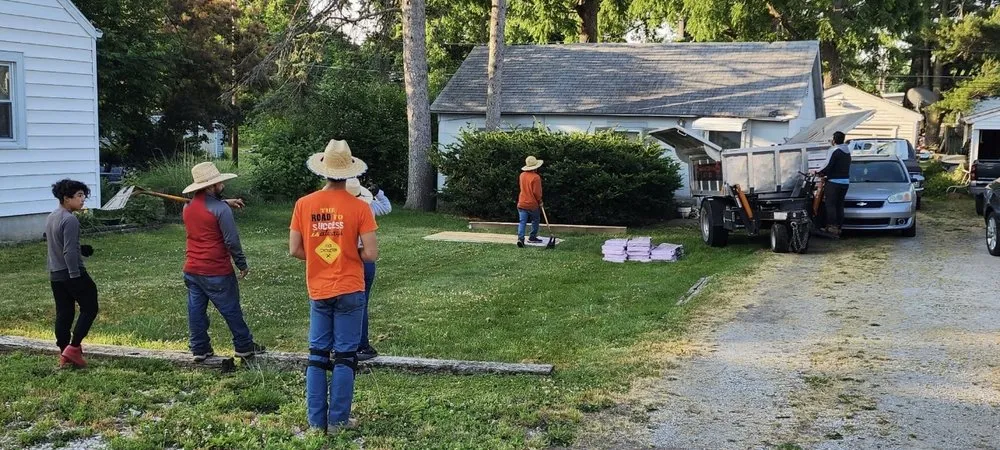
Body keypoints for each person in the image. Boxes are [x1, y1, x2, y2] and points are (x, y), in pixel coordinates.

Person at [289, 139, 378, 433]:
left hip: (319, 287)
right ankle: (339, 421)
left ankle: (316, 423)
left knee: (317, 355)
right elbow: (371, 254)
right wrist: (349, 252)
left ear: (323, 170)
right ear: (349, 172)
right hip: (350, 287)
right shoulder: (360, 207)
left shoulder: (303, 204)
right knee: (345, 356)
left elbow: (295, 249)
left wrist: (320, 255)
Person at [181, 162, 264, 362]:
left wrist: (226, 202)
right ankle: (244, 345)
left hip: (192, 269)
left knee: (196, 310)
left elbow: (207, 207)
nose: (222, 185)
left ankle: (199, 348)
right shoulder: (221, 210)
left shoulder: (187, 207)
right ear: (211, 186)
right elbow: (231, 241)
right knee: (230, 308)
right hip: (216, 269)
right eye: (219, 183)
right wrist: (241, 263)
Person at [46, 179, 99, 368]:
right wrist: (75, 275)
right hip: (72, 273)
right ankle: (74, 348)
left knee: (64, 313)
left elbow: (59, 244)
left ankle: (64, 353)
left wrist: (80, 248)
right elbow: (68, 251)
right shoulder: (70, 219)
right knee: (90, 307)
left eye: (84, 195)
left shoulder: (52, 216)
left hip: (56, 274)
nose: (83, 199)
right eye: (79, 195)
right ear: (66, 198)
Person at [346, 178, 391, 361]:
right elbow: (386, 207)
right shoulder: (368, 208)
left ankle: (340, 344)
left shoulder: (339, 210)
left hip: (343, 257)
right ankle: (361, 345)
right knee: (361, 303)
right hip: (363, 257)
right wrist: (379, 193)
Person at [817, 131, 852, 235]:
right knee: (840, 205)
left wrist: (819, 172)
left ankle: (832, 227)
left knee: (830, 205)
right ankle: (839, 226)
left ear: (834, 140)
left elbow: (828, 165)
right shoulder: (847, 152)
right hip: (845, 182)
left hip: (834, 182)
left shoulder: (835, 151)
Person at [517, 155, 544, 247]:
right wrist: (540, 201)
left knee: (522, 222)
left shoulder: (522, 175)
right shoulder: (536, 177)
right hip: (532, 204)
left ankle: (520, 238)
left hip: (522, 202)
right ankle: (532, 237)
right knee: (535, 220)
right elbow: (537, 192)